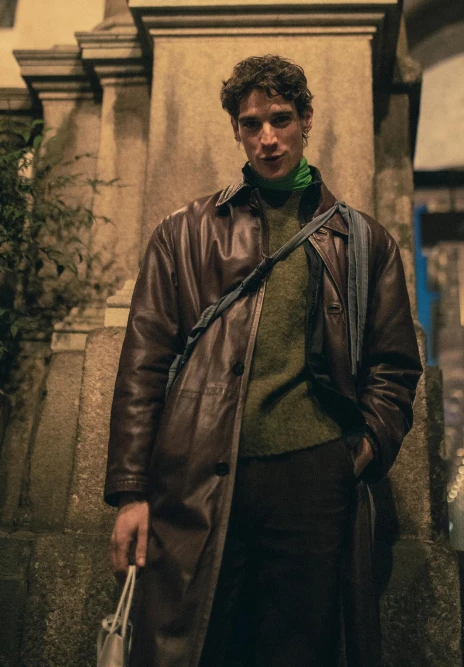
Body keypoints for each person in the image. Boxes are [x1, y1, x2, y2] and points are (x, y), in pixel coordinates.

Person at [105, 55, 422, 667]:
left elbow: (394, 367)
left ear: (306, 120)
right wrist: (130, 493)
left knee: (296, 649)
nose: (267, 137)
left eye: (280, 119)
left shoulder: (363, 241)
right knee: (201, 644)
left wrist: (355, 453)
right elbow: (143, 362)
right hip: (199, 476)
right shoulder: (184, 233)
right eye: (252, 124)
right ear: (237, 132)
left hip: (312, 476)